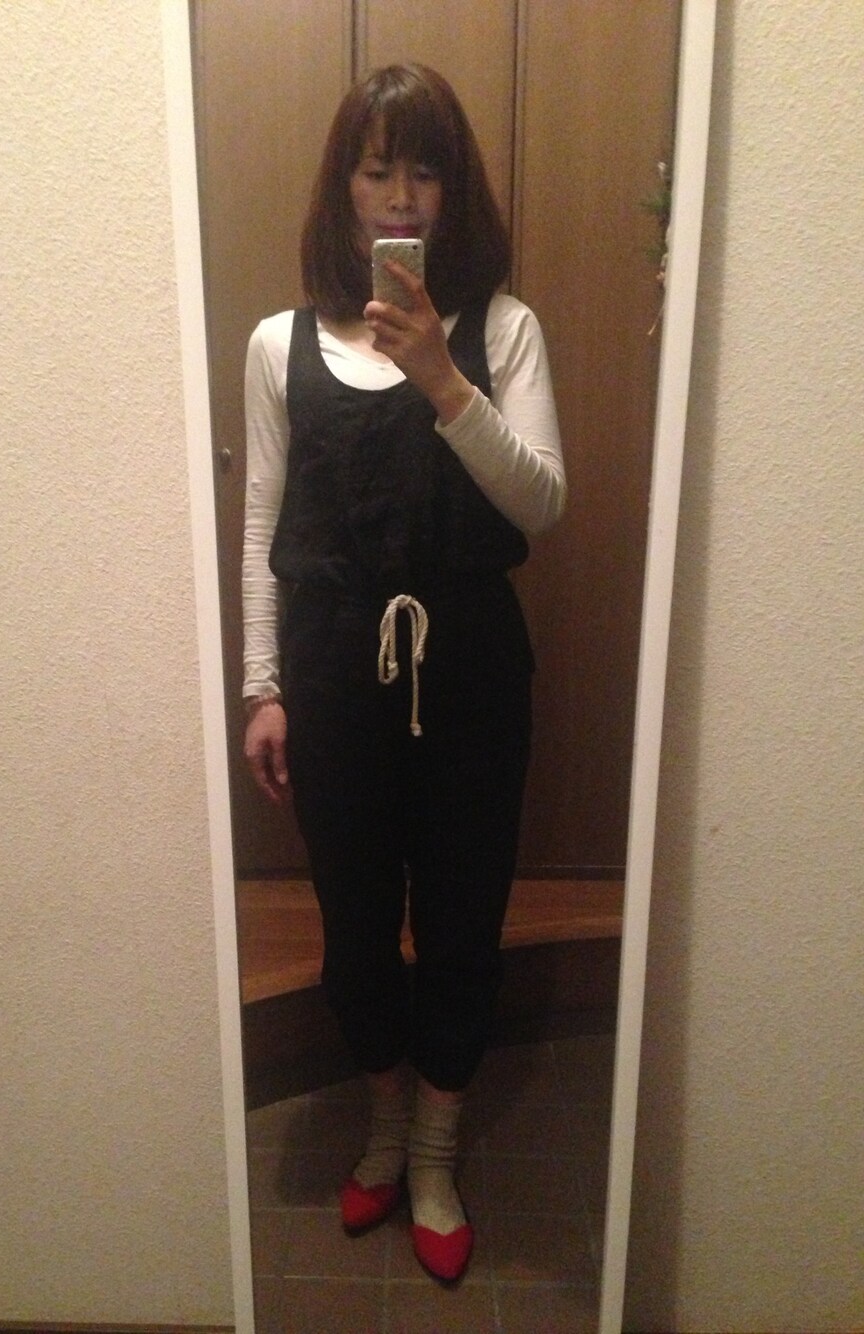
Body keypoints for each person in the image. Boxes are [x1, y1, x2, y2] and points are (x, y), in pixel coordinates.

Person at [241, 63, 565, 1281]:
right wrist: (262, 685)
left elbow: (541, 501)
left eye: (424, 169)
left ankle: (434, 1146)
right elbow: (261, 521)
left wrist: (441, 375)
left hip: (471, 670)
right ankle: (384, 1116)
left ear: (453, 188)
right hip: (333, 674)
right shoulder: (278, 344)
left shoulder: (504, 328)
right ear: (343, 185)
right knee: (356, 923)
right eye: (376, 168)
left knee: (466, 914)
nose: (400, 195)